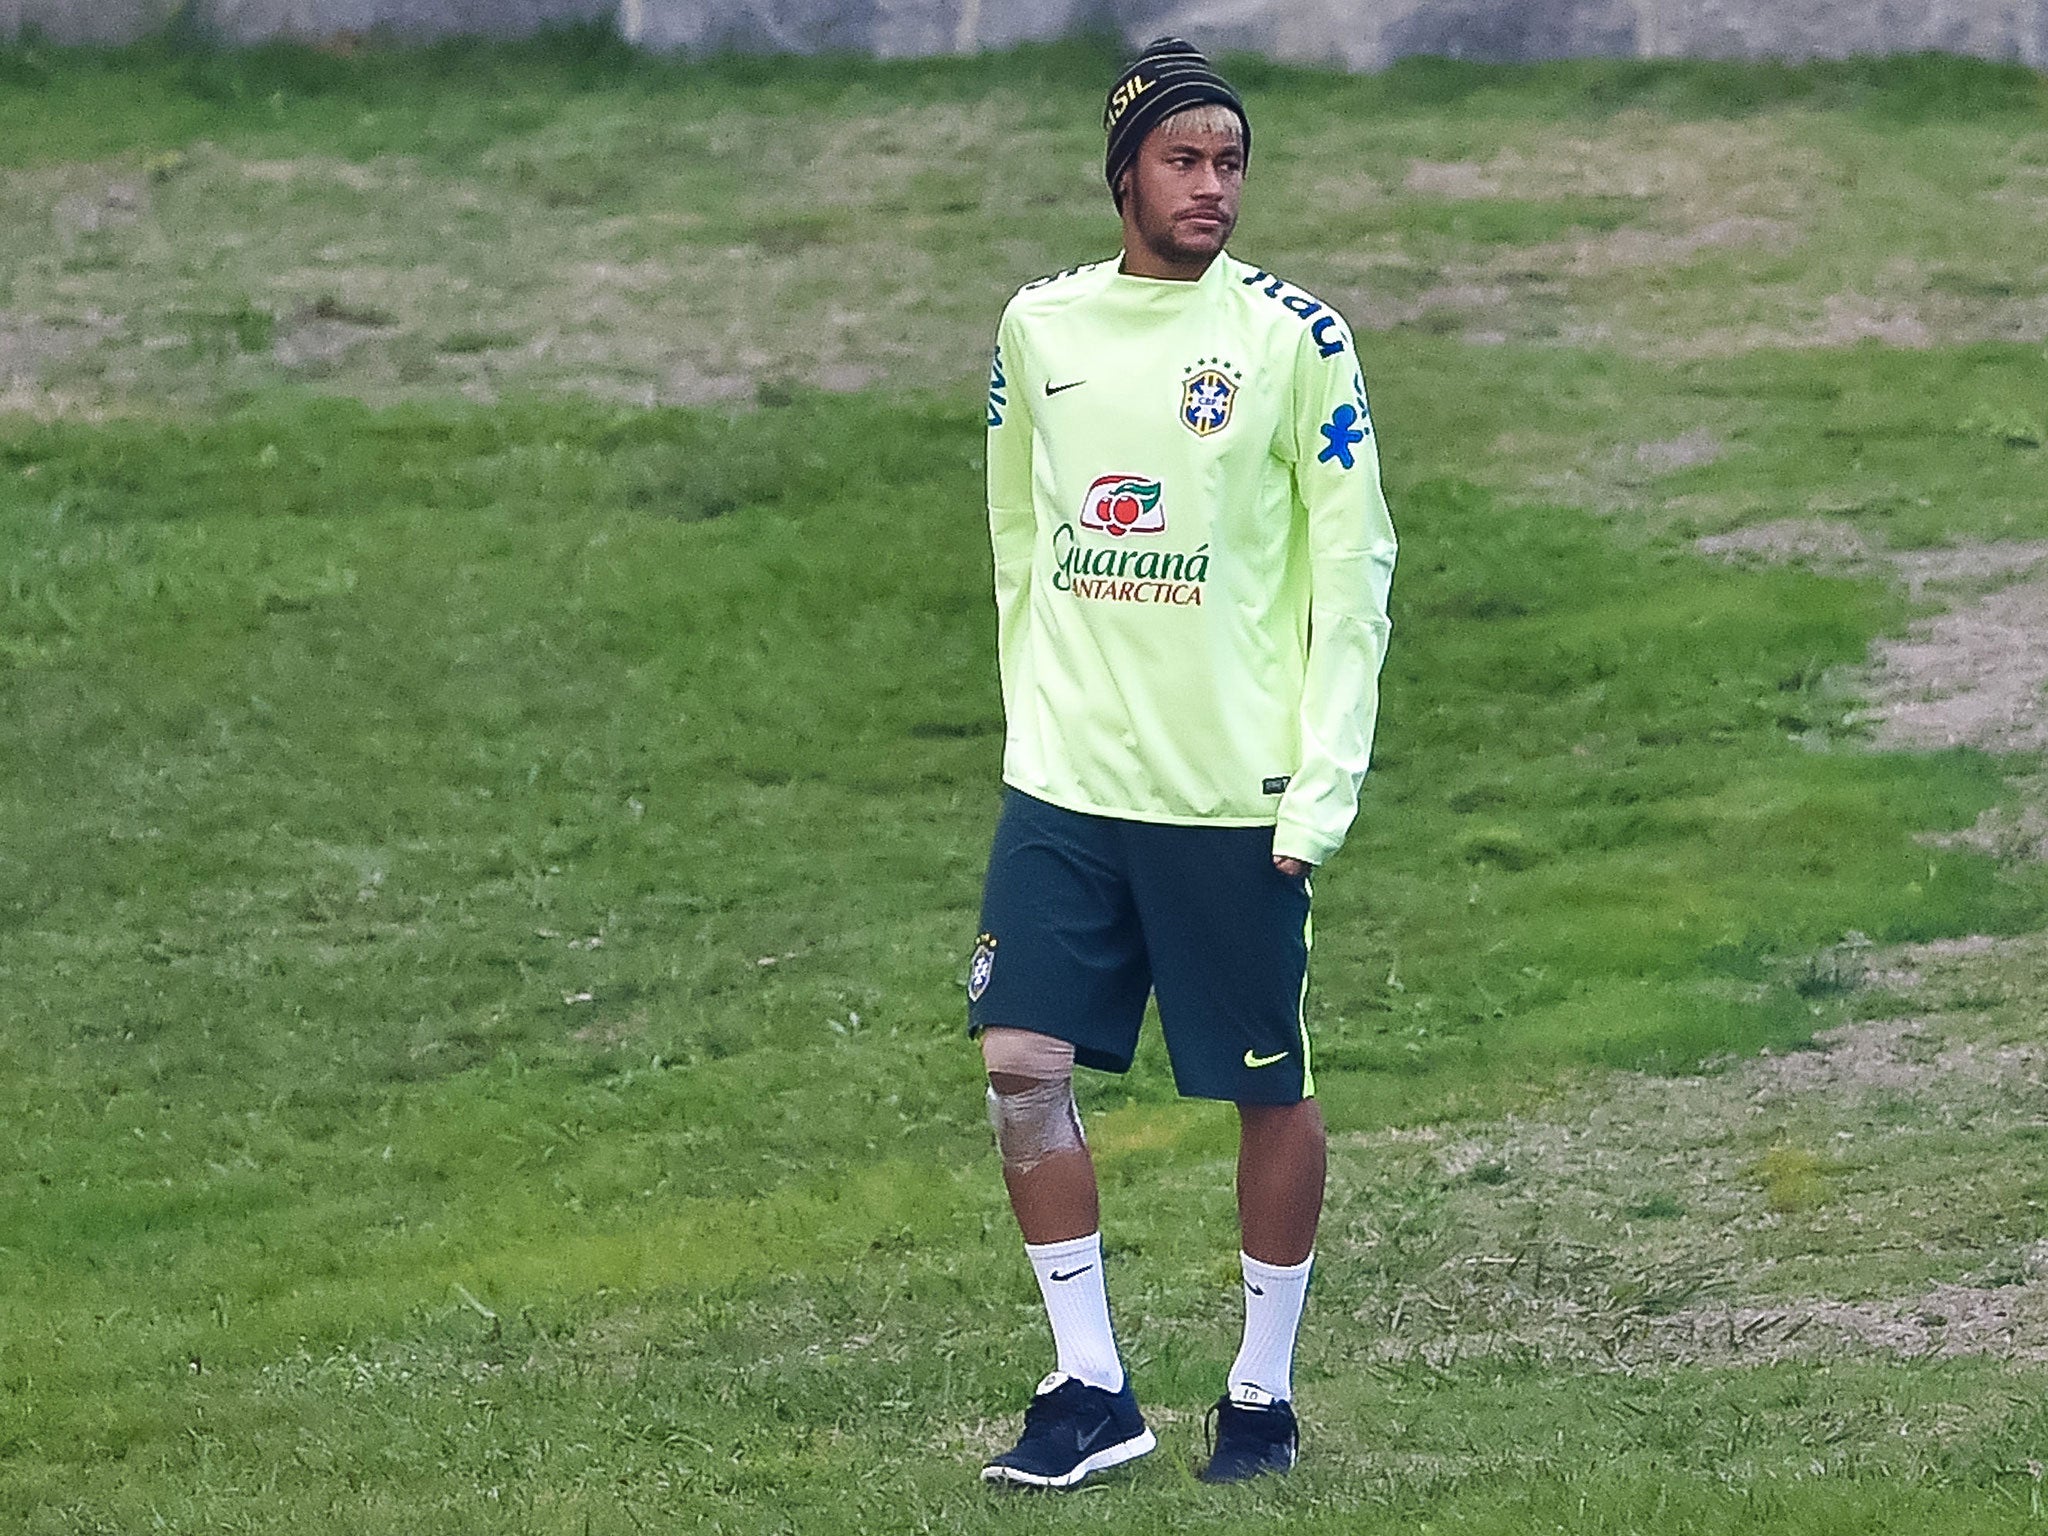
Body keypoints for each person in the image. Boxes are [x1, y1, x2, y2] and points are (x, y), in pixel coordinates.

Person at [967, 36, 1398, 1489]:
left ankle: (1261, 1398)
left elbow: (1357, 568)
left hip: (1233, 797)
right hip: (1069, 785)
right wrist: (1035, 725)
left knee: (1266, 1090)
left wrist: (1323, 780)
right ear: (1125, 173)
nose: (1213, 187)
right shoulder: (1038, 328)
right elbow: (1021, 537)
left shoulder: (1294, 340)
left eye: (1231, 163)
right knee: (1021, 1068)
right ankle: (1093, 1386)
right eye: (1184, 159)